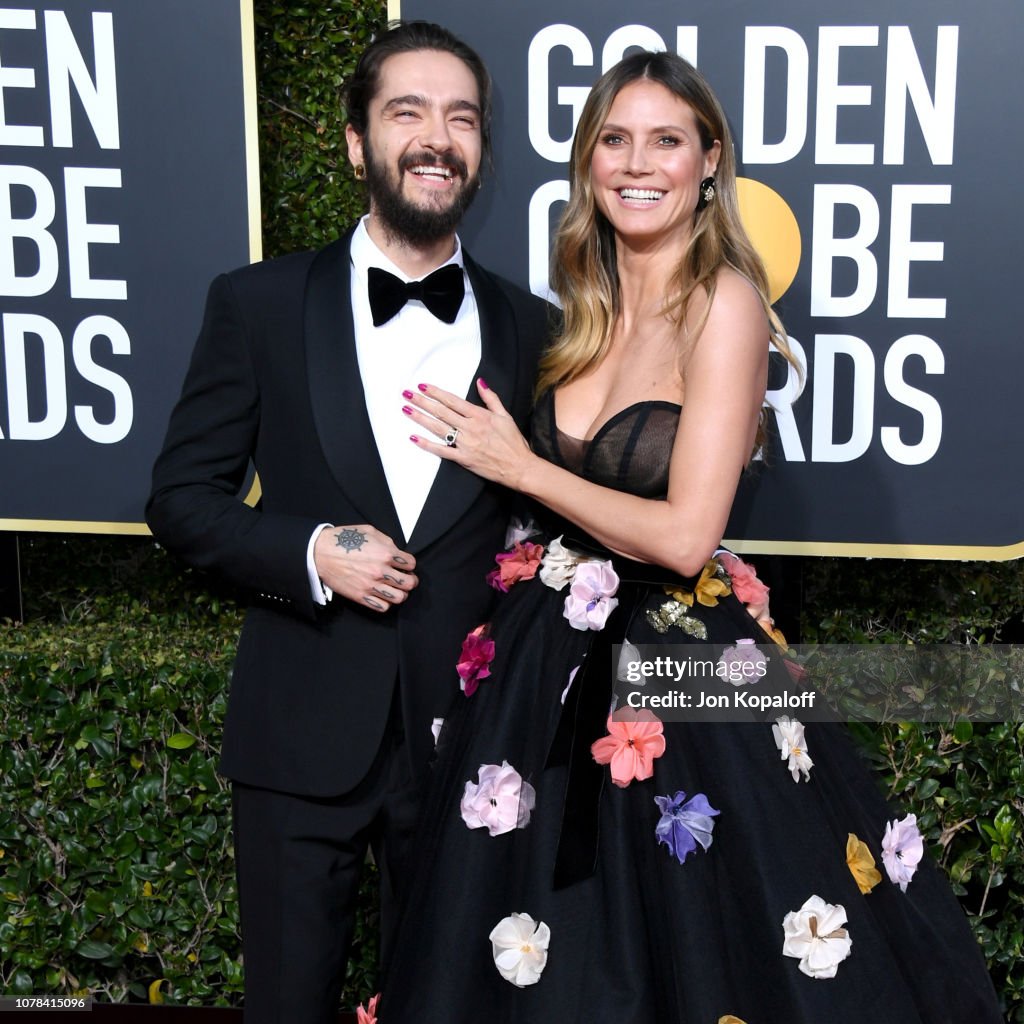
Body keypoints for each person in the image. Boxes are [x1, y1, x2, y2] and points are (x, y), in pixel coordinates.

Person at [376, 51, 1003, 1022]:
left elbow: (683, 535)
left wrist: (523, 466)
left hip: (680, 678)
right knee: (534, 939)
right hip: (545, 668)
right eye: (614, 139)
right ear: (587, 164)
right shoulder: (581, 308)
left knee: (692, 943)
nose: (638, 162)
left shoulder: (727, 303)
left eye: (665, 140)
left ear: (708, 160)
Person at [146, 21, 548, 1024]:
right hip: (296, 737)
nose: (436, 136)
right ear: (356, 143)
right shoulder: (259, 304)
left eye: (460, 117)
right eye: (405, 111)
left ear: (480, 153)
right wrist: (312, 550)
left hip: (465, 749)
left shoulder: (535, 329)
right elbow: (180, 501)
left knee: (451, 1006)